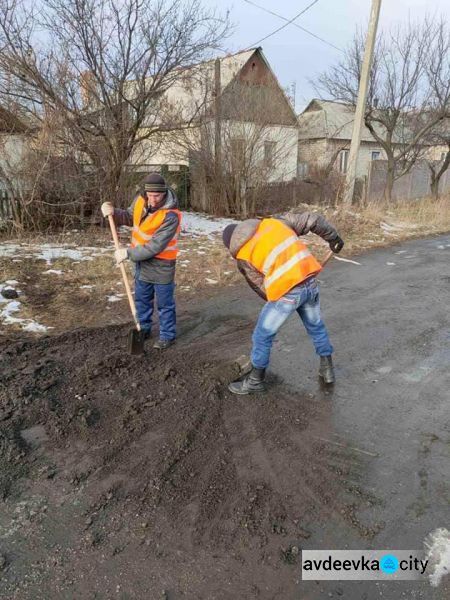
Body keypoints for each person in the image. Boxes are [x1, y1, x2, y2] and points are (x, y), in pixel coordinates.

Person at [222, 212, 344, 394]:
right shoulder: (275, 223)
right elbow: (312, 219)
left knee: (262, 335)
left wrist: (280, 305)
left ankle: (255, 381)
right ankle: (327, 371)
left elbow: (261, 287)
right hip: (310, 282)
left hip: (287, 293)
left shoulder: (243, 256)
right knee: (316, 327)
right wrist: (333, 238)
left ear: (231, 244)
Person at [101, 173, 181, 350]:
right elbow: (129, 217)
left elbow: (155, 246)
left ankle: (168, 335)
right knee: (142, 299)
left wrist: (128, 253)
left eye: (157, 196)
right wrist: (114, 212)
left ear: (164, 193)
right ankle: (143, 328)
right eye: (150, 195)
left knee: (164, 304)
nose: (152, 200)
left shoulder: (170, 216)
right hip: (141, 264)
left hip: (162, 266)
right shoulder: (140, 201)